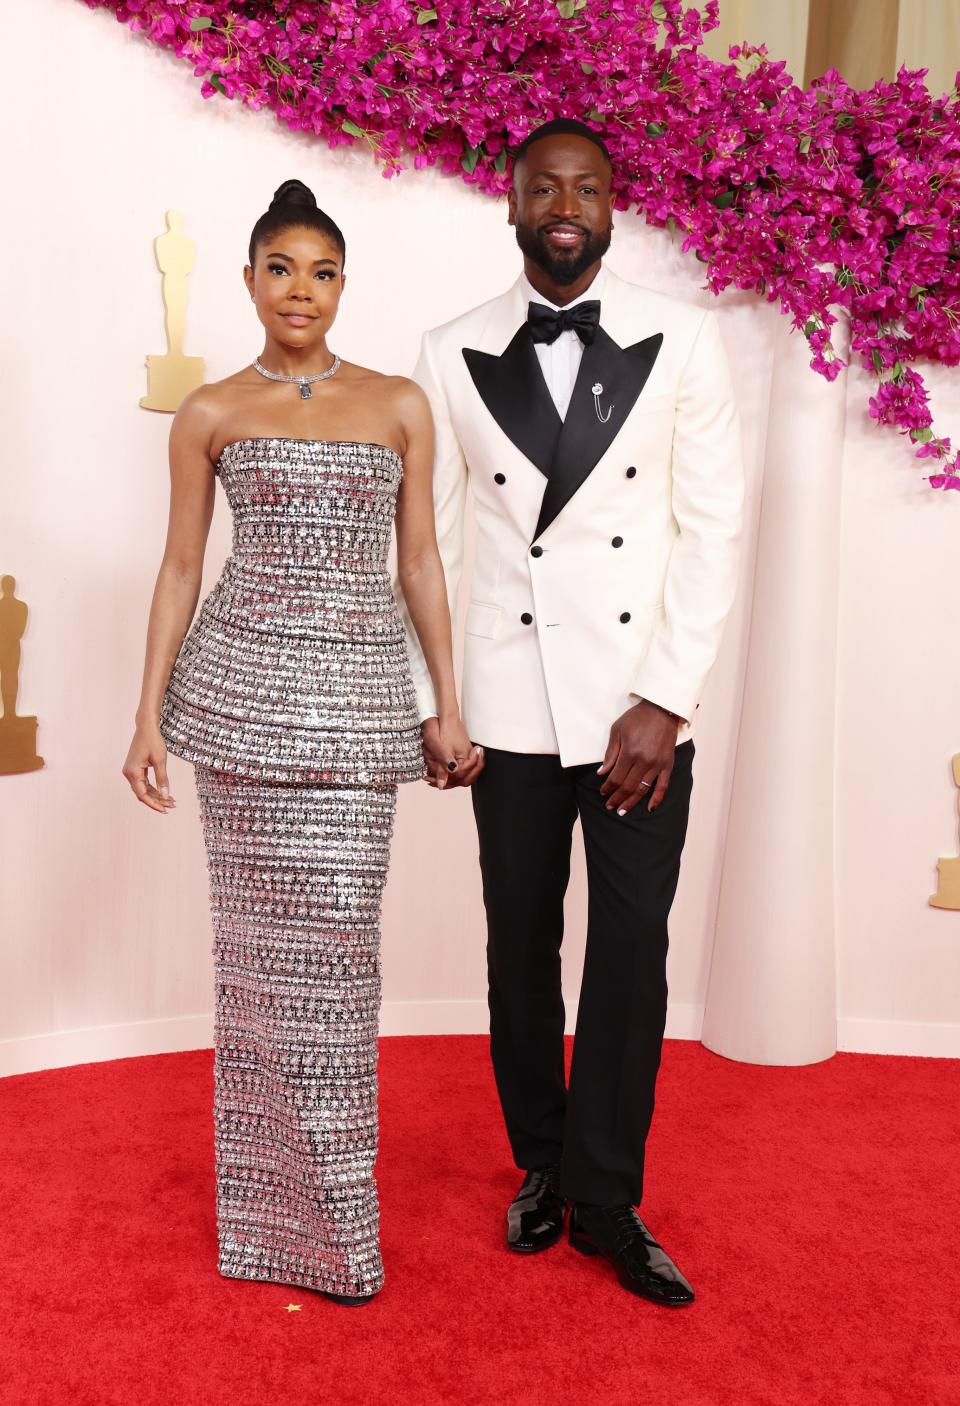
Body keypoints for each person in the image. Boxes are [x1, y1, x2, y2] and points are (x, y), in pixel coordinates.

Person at [399, 118, 744, 1306]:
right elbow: (435, 543)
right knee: (518, 945)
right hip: (505, 700)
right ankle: (542, 1164)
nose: (563, 203)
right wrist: (438, 702)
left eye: (585, 186)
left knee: (633, 952)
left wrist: (666, 695)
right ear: (509, 206)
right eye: (542, 185)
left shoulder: (687, 338)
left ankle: (608, 1194)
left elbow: (711, 529)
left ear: (612, 205)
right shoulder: (449, 350)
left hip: (639, 709)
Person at [122, 179, 481, 1305]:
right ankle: (264, 1229)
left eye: (322, 271)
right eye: (281, 268)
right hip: (239, 711)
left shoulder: (400, 406)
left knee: (336, 969)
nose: (301, 290)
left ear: (343, 285)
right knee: (254, 974)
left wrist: (446, 703)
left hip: (357, 714)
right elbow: (182, 565)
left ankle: (337, 1228)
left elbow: (419, 563)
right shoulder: (212, 412)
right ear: (248, 280)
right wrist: (147, 714)